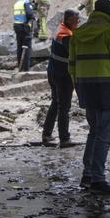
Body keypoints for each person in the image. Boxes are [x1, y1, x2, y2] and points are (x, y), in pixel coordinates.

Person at [68, 0, 110, 195]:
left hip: (86, 88)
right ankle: (98, 178)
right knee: (104, 135)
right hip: (108, 90)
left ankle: (87, 175)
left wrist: (79, 89)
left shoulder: (78, 34)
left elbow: (71, 66)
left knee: (94, 131)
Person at [41, 9, 79, 148]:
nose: (78, 22)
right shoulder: (66, 34)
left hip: (54, 71)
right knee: (64, 106)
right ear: (69, 20)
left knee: (56, 103)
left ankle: (46, 135)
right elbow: (73, 52)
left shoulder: (60, 29)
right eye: (76, 20)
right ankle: (64, 138)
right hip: (63, 75)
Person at [12, 0, 36, 72]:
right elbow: (29, 14)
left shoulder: (17, 2)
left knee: (19, 46)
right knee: (27, 47)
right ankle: (26, 68)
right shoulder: (27, 2)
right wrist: (34, 17)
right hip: (24, 26)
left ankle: (20, 65)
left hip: (16, 26)